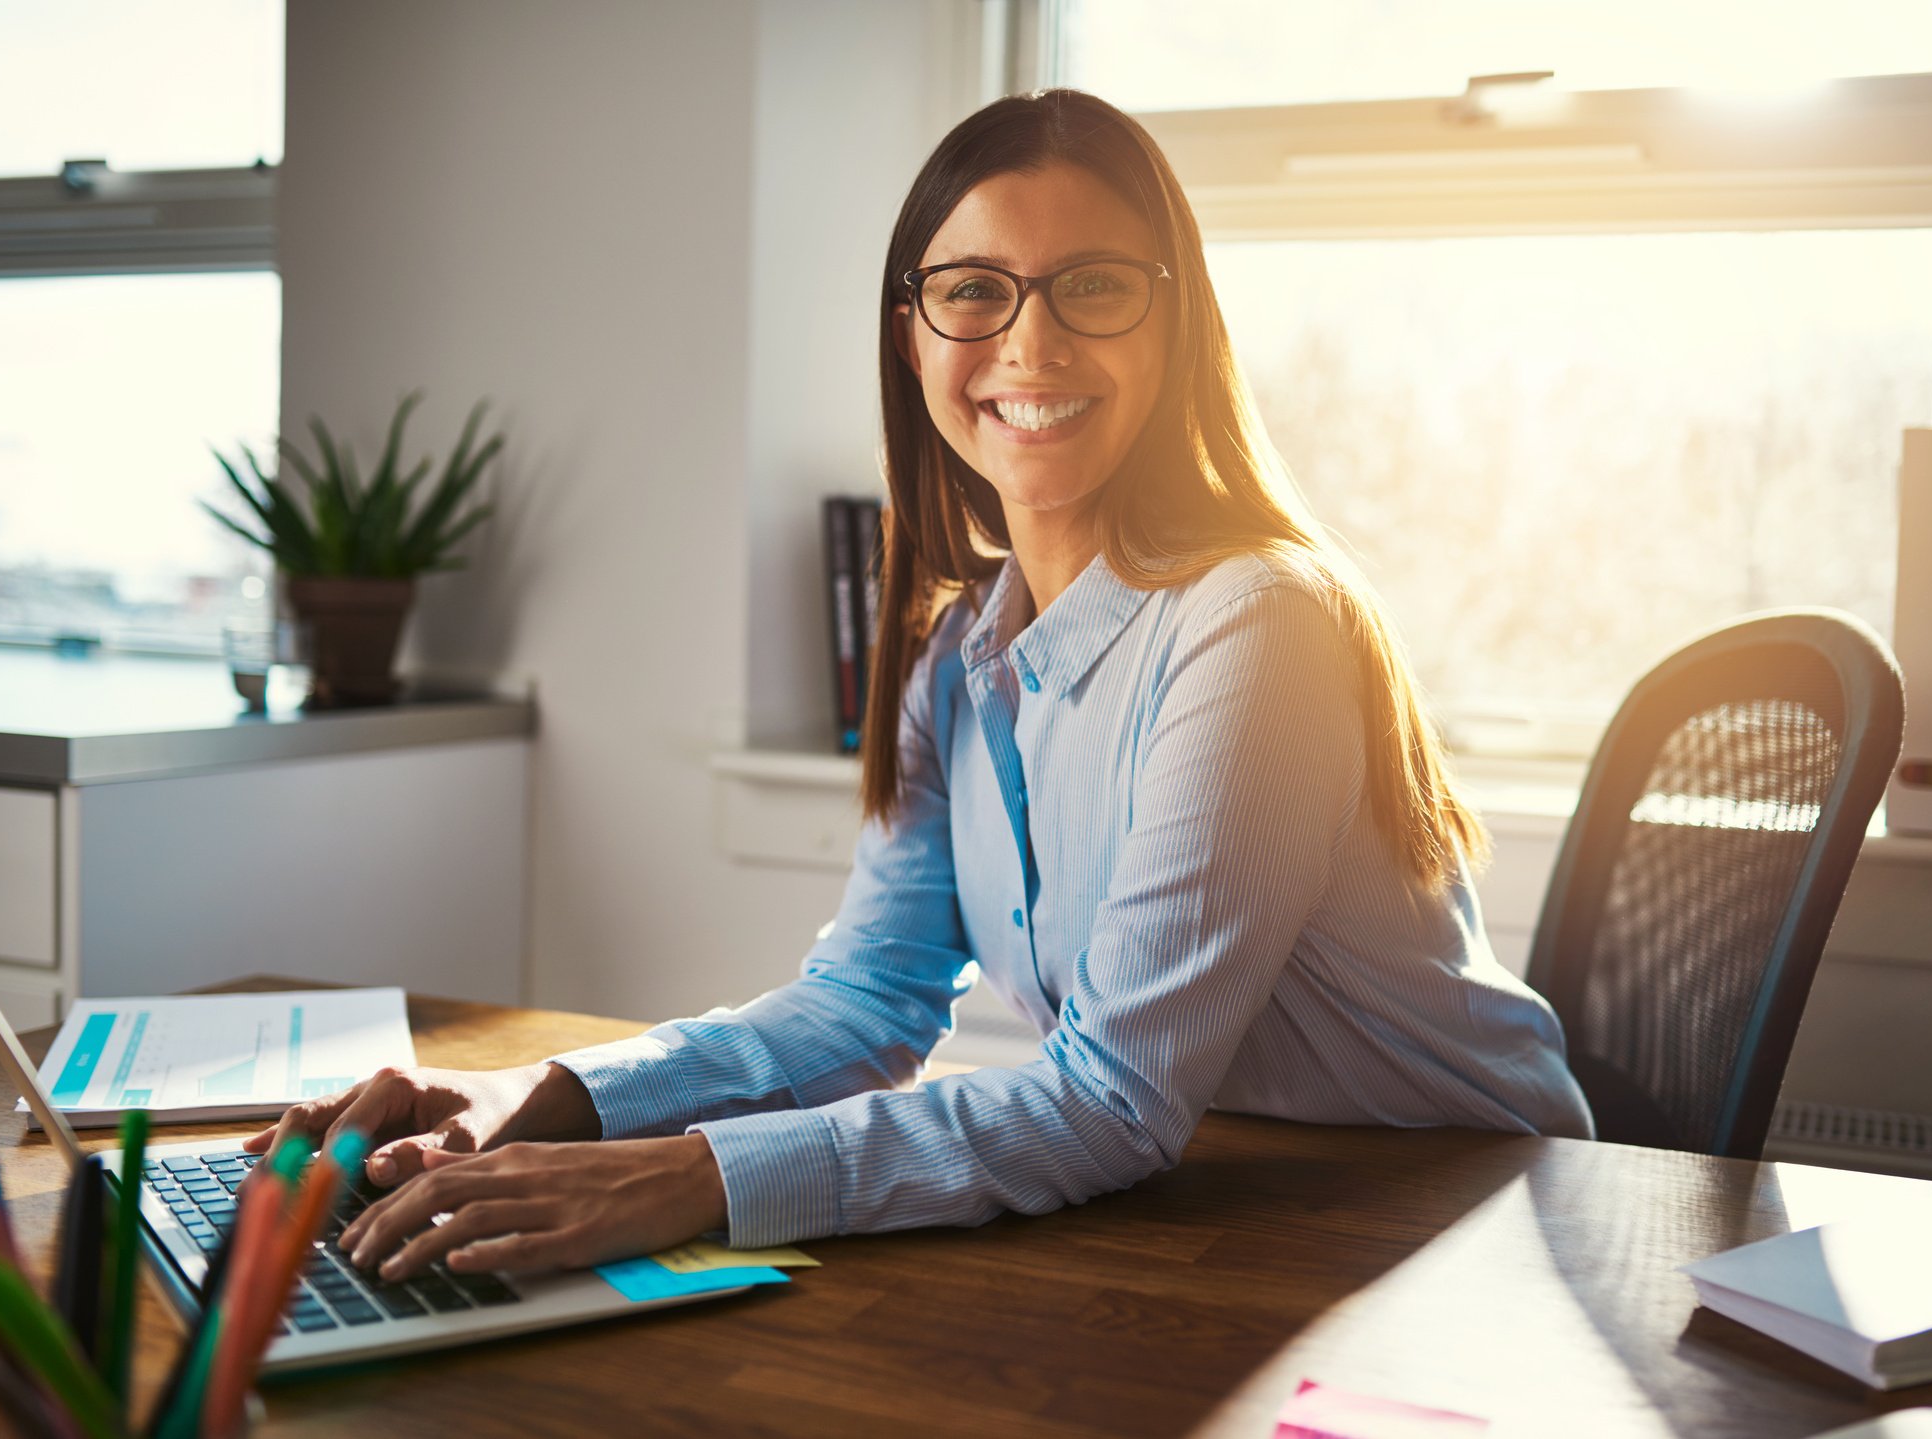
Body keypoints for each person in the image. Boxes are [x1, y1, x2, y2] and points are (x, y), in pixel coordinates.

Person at [254, 89, 1593, 1282]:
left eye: (1095, 288)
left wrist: (676, 1184)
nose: (1030, 343)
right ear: (914, 335)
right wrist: (532, 1101)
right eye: (974, 291)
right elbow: (864, 1007)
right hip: (1244, 1205)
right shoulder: (960, 653)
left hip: (1471, 1226)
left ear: (1174, 324)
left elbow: (1111, 1102)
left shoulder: (1259, 622)